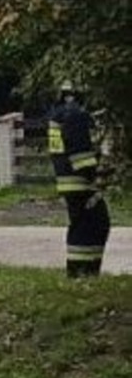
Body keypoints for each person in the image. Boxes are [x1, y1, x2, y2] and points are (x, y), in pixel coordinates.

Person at [48, 84, 111, 278]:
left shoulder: (59, 114)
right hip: (81, 181)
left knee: (89, 224)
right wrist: (96, 174)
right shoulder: (74, 114)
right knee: (92, 224)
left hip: (69, 180)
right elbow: (80, 152)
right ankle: (82, 272)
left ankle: (83, 271)